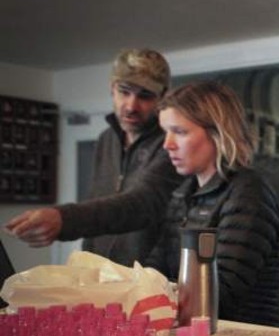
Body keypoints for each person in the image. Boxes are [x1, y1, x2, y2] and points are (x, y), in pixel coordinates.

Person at [4, 49, 183, 267]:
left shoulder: (171, 143)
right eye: (124, 91)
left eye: (145, 96)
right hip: (99, 276)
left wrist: (64, 219)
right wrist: (85, 266)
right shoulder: (106, 140)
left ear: (162, 97)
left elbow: (142, 204)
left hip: (147, 279)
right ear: (112, 88)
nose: (131, 105)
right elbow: (97, 197)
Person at [144, 81, 279, 327]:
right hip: (195, 334)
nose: (167, 144)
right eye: (165, 131)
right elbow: (154, 272)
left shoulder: (249, 193)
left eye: (179, 131)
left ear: (218, 133)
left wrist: (158, 296)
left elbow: (222, 296)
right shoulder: (183, 193)